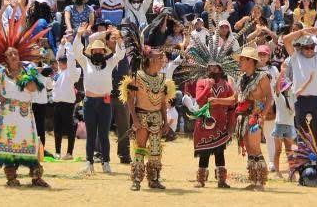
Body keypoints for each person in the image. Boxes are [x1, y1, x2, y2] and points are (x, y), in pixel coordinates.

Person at [0, 9, 49, 187]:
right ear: (5, 58)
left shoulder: (28, 69)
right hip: (7, 114)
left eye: (15, 53)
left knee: (29, 144)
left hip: (24, 114)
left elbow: (32, 87)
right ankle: (11, 178)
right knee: (8, 146)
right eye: (9, 55)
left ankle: (36, 177)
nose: (13, 56)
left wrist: (22, 77)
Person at [210, 46, 273, 191]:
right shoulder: (241, 78)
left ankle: (260, 183)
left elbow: (269, 97)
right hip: (243, 117)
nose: (239, 62)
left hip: (255, 116)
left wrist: (263, 115)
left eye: (242, 59)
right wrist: (217, 100)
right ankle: (254, 180)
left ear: (251, 61)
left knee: (255, 148)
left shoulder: (262, 77)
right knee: (250, 149)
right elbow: (234, 99)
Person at [119, 39, 175, 191]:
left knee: (156, 149)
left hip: (157, 117)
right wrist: (135, 119)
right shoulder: (137, 77)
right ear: (149, 60)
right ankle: (136, 179)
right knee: (140, 148)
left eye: (162, 58)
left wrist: (165, 122)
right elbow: (130, 99)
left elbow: (163, 102)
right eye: (158, 58)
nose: (161, 60)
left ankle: (154, 179)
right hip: (142, 116)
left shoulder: (163, 79)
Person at [184, 34, 237, 189]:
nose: (213, 69)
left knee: (220, 152)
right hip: (205, 122)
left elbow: (233, 104)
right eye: (211, 67)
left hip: (221, 122)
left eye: (216, 67)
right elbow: (199, 100)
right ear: (207, 68)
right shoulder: (201, 82)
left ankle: (221, 180)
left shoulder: (226, 85)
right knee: (204, 151)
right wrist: (208, 86)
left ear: (220, 69)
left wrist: (231, 125)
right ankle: (201, 179)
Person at [72, 24, 125, 175]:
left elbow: (121, 54)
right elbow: (76, 51)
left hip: (104, 102)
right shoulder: (85, 62)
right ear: (91, 51)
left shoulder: (110, 62)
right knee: (91, 134)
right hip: (89, 101)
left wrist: (119, 38)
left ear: (103, 51)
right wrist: (78, 35)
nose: (97, 51)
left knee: (104, 134)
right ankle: (89, 162)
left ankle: (106, 162)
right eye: (94, 50)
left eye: (99, 50)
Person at [282, 28, 317, 140]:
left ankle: (315, 156)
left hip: (316, 99)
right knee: (301, 132)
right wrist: (301, 32)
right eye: (306, 47)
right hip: (300, 99)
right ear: (301, 47)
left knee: (316, 131)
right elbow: (285, 40)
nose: (310, 50)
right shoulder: (296, 56)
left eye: (312, 47)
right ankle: (303, 156)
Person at [52, 36, 81, 160]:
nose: (60, 63)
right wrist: (62, 45)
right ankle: (57, 152)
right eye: (60, 62)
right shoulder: (58, 73)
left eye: (63, 62)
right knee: (57, 129)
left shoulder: (70, 72)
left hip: (68, 105)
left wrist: (68, 44)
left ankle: (69, 153)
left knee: (69, 129)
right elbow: (59, 56)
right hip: (57, 104)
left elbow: (71, 59)